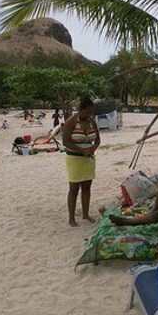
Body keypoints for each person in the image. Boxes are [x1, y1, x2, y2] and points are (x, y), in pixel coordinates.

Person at [62, 96, 100, 226]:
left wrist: (93, 148)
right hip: (74, 159)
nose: (89, 115)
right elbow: (65, 141)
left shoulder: (92, 122)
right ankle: (71, 218)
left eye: (91, 112)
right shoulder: (71, 121)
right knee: (74, 189)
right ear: (81, 110)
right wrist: (81, 150)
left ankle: (85, 214)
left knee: (87, 188)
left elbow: (98, 140)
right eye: (87, 112)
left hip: (89, 160)